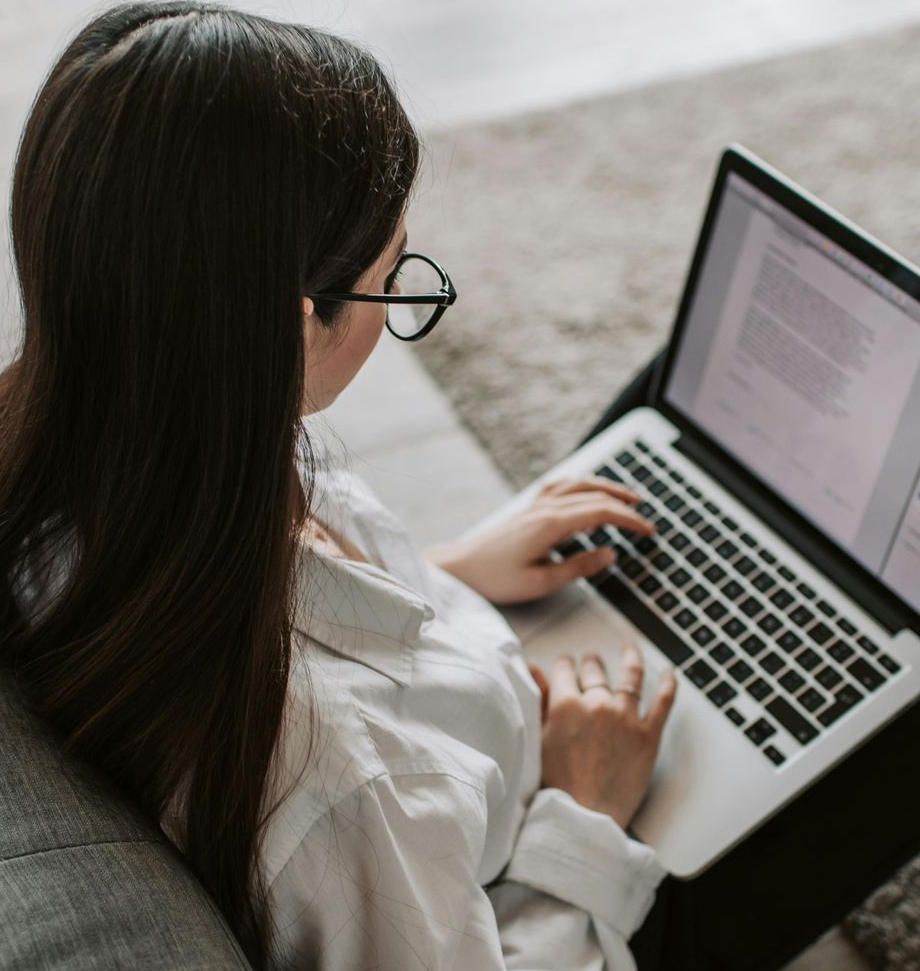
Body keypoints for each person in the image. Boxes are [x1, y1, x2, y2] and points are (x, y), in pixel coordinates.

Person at [0, 3, 679, 970]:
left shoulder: (77, 472)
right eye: (393, 277)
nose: (399, 294)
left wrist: (440, 572)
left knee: (658, 406)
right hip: (566, 854)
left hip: (473, 679)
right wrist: (590, 811)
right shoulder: (354, 782)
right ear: (291, 327)